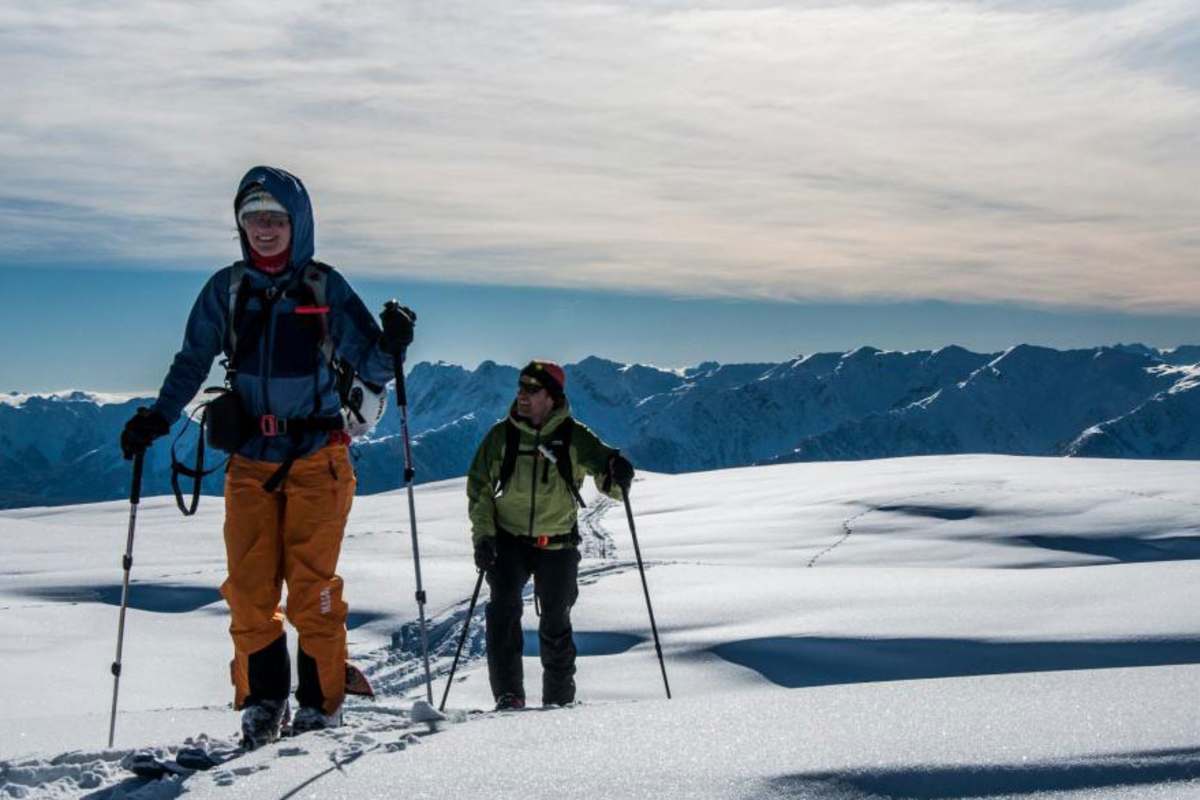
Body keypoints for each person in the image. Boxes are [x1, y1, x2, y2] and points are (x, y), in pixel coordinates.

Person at [119, 166, 416, 748]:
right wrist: (160, 416)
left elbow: (371, 366)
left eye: (275, 217)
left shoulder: (324, 286)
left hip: (319, 458)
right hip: (250, 460)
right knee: (250, 589)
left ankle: (321, 706)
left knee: (312, 590)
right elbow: (192, 359)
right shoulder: (227, 289)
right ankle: (263, 702)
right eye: (252, 218)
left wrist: (391, 343)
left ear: (296, 223)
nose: (264, 228)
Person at [466, 360, 634, 709]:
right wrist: (484, 536)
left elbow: (610, 484)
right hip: (508, 539)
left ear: (552, 397)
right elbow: (479, 488)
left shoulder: (575, 436)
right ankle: (509, 697)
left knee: (557, 621)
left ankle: (558, 704)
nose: (522, 395)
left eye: (532, 389)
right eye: (521, 387)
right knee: (503, 612)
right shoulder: (503, 436)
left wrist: (619, 474)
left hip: (558, 543)